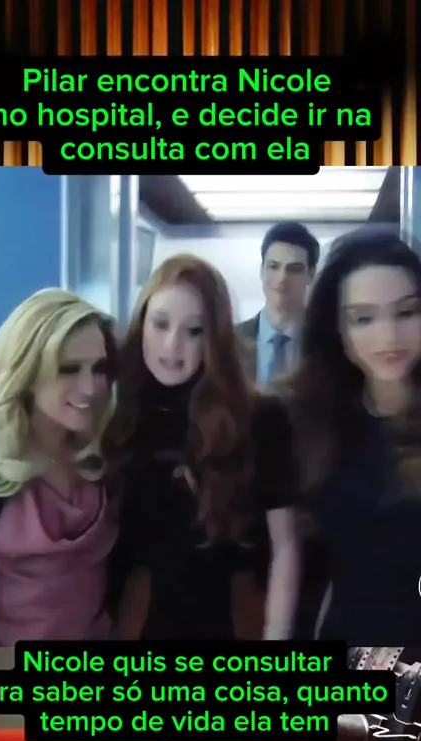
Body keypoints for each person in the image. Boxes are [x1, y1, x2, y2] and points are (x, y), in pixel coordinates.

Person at [102, 254, 299, 641]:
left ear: (214, 338)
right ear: (142, 324)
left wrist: (277, 638)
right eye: (160, 324)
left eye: (194, 330)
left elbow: (286, 544)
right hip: (136, 623)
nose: (172, 345)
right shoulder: (120, 413)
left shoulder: (259, 417)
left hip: (232, 621)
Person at [0, 288, 118, 646]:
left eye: (99, 368)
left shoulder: (108, 448)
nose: (90, 387)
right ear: (28, 370)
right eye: (69, 369)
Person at [289, 227, 421, 645]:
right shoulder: (318, 421)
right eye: (364, 318)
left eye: (407, 312)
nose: (389, 337)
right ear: (339, 331)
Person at [237, 221, 320, 385]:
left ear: (311, 274)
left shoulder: (329, 342)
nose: (282, 278)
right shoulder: (231, 341)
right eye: (274, 267)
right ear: (262, 270)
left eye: (294, 269)